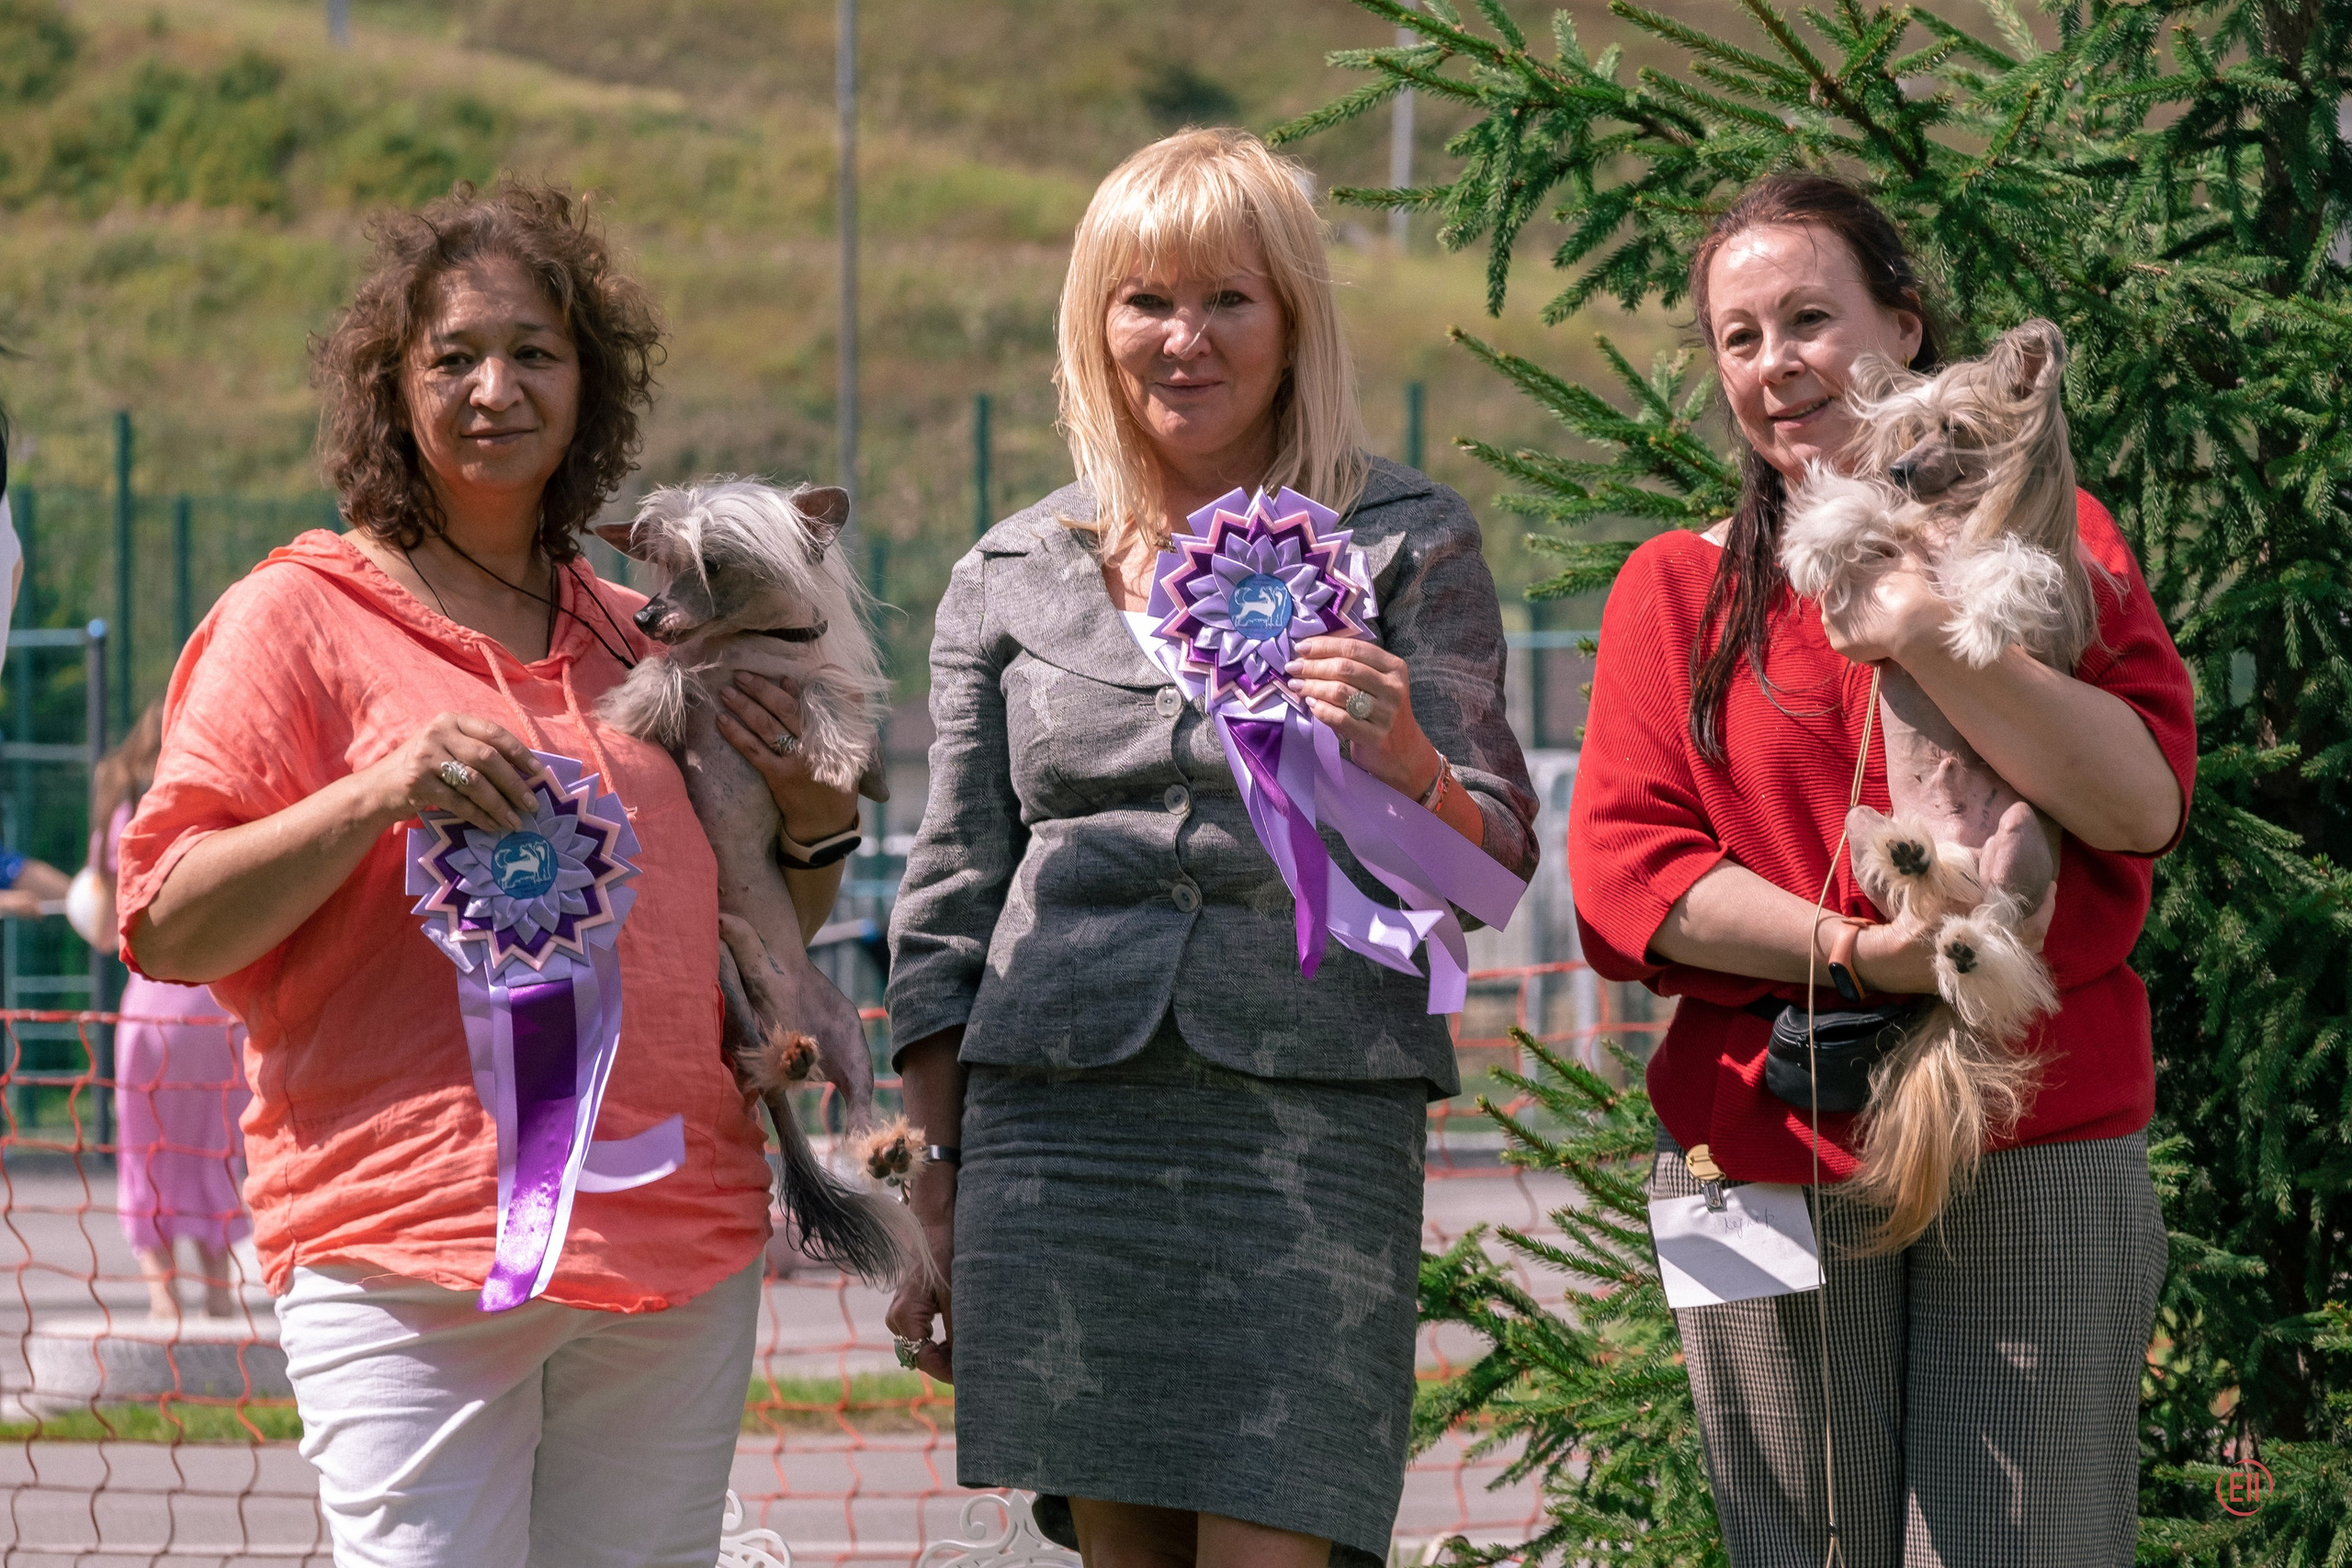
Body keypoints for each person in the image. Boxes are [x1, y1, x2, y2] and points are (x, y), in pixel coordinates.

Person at [113, 180, 856, 1568]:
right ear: (391, 387)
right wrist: (375, 794)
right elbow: (168, 921)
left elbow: (743, 924)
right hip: (407, 1244)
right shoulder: (296, 617)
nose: (495, 389)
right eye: (452, 356)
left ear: (589, 387)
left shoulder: (653, 636)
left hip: (675, 1235)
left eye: (534, 353)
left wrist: (813, 825)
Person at [883, 129, 1540, 1568]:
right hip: (1059, 1130)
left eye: (1230, 298)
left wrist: (1409, 762)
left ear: (1294, 318)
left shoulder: (1406, 542)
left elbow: (1490, 874)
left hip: (1308, 1131)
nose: (1186, 339)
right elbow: (947, 897)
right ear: (1095, 321)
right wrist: (931, 1177)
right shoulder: (1007, 570)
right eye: (1147, 300)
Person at [1566, 174, 2197, 1567]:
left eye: (1809, 319)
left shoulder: (2056, 542)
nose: (1774, 363)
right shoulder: (1675, 588)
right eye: (1738, 338)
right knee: (1793, 1543)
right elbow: (1627, 876)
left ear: (1903, 331)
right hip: (1750, 1142)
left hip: (2037, 1120)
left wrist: (1919, 627)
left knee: (2036, 1545)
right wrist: (1861, 952)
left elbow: (2141, 804)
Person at [87, 700, 251, 1321]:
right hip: (217, 1007)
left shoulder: (127, 814)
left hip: (151, 1011)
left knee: (147, 1150)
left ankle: (164, 1296)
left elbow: (103, 930)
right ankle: (219, 1291)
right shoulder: (220, 807)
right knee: (216, 1146)